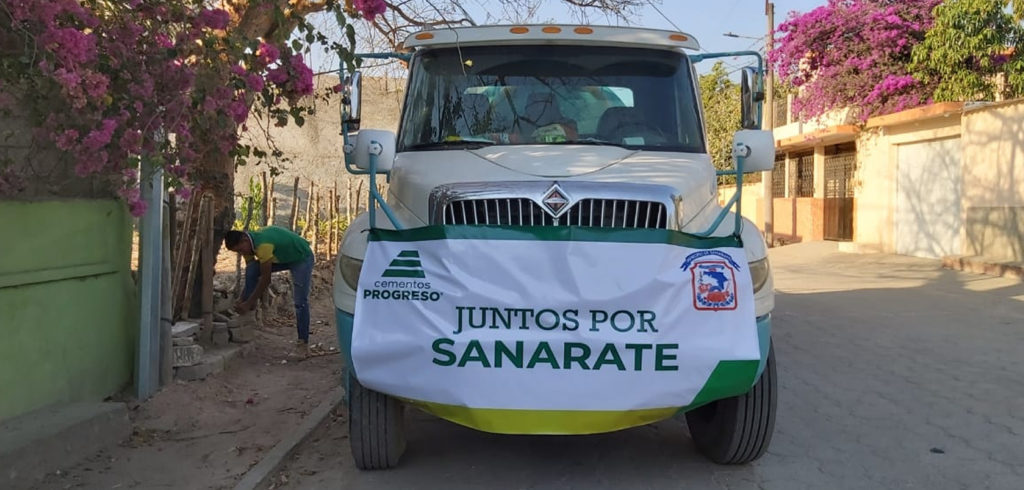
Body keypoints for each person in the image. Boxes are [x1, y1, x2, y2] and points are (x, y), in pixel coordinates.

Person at [224, 226, 314, 357]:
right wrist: (243, 299)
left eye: (240, 249)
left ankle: (303, 345)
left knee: (300, 302)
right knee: (252, 270)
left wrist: (249, 302)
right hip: (282, 257)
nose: (241, 252)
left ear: (244, 240)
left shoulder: (263, 246)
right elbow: (251, 273)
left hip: (301, 257)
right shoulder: (248, 245)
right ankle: (247, 313)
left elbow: (266, 280)